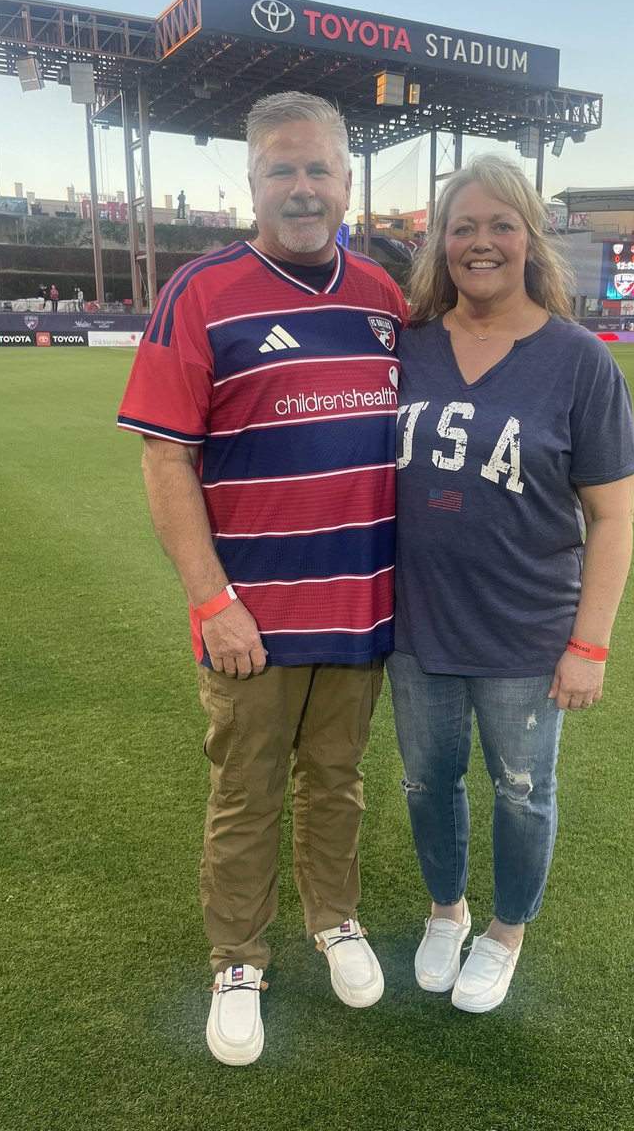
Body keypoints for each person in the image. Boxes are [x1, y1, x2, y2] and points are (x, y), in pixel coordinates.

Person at [117, 92, 407, 1066]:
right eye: (280, 169)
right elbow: (164, 463)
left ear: (346, 182)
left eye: (318, 168)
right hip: (252, 618)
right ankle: (239, 960)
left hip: (360, 602)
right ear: (250, 183)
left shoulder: (381, 294)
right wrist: (212, 601)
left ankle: (334, 919)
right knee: (245, 794)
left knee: (338, 781)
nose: (301, 186)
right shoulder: (199, 293)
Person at [388, 155, 634, 1014]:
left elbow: (611, 519)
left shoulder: (579, 362)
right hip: (417, 627)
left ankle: (506, 933)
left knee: (524, 792)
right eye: (463, 227)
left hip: (527, 634)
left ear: (531, 238)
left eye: (501, 224)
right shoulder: (408, 347)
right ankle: (446, 911)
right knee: (427, 781)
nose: (481, 242)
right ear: (440, 242)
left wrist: (590, 645)